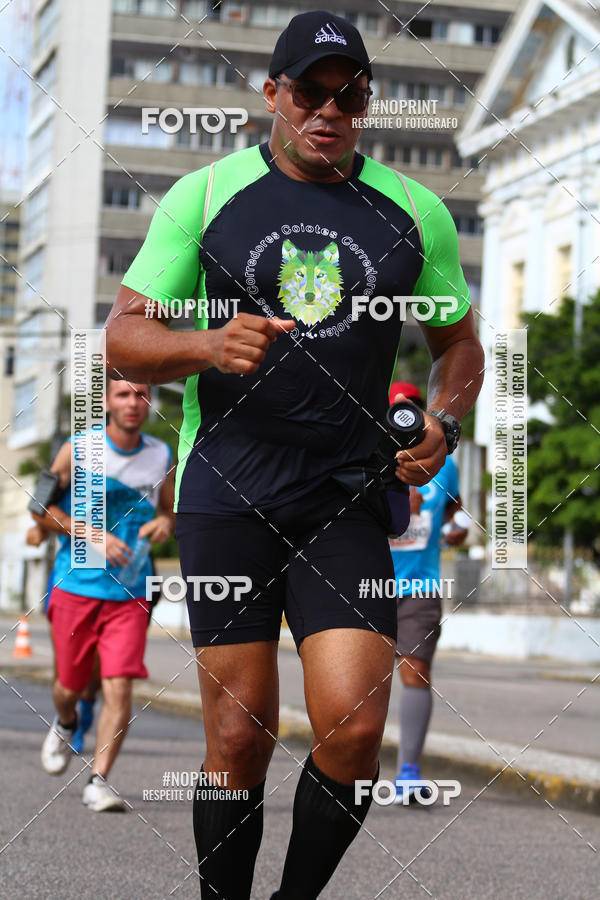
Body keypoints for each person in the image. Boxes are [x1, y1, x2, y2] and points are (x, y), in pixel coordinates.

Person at [105, 9, 484, 895]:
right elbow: (122, 338)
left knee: (353, 730)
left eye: (347, 94)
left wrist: (444, 421)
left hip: (345, 494)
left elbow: (459, 342)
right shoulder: (203, 197)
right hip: (227, 490)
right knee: (239, 738)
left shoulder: (412, 210)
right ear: (272, 94)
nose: (328, 109)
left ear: (367, 102)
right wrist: (202, 346)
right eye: (308, 91)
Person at [32, 380, 174, 811]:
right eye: (124, 394)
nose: (134, 402)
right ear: (108, 401)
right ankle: (66, 719)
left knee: (119, 686)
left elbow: (168, 510)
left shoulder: (161, 455)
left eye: (142, 394)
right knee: (68, 685)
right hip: (76, 584)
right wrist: (89, 532)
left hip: (130, 591)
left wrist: (166, 524)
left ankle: (99, 780)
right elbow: (40, 506)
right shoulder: (78, 447)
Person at [387, 382, 469, 804]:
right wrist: (397, 509)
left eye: (414, 408)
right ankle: (350, 766)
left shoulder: (445, 464)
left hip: (420, 584)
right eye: (397, 409)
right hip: (369, 584)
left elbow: (454, 511)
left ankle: (407, 772)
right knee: (360, 680)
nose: (408, 416)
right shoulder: (372, 454)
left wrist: (454, 530)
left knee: (415, 670)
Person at [26, 523, 101, 754]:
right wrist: (39, 529)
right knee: (64, 662)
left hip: (117, 578)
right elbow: (43, 514)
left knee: (97, 665)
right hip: (68, 577)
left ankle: (85, 708)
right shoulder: (70, 486)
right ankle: (67, 718)